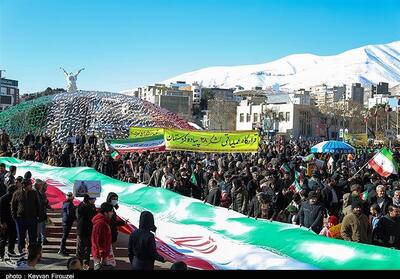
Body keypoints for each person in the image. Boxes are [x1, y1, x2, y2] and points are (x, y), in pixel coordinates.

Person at [11, 176, 40, 254]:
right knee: (21, 238)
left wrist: (38, 216)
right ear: (25, 185)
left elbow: (38, 205)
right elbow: (13, 206)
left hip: (32, 219)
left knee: (33, 238)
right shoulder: (17, 193)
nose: (31, 186)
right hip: (20, 219)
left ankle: (32, 254)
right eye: (30, 184)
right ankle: (22, 253)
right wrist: (15, 217)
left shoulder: (34, 193)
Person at [91, 202, 115, 270]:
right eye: (111, 212)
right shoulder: (102, 224)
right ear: (105, 213)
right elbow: (100, 241)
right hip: (100, 256)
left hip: (100, 254)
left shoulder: (103, 221)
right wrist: (103, 257)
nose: (112, 213)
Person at [76, 194, 96, 268]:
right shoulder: (82, 206)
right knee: (80, 249)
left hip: (90, 231)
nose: (95, 200)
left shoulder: (92, 206)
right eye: (94, 199)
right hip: (82, 232)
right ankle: (78, 264)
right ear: (89, 200)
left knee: (88, 249)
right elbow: (80, 211)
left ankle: (86, 264)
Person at [0, 185, 17, 259]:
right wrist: (2, 222)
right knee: (4, 238)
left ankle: (10, 252)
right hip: (6, 221)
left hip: (12, 221)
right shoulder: (4, 199)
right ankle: (2, 253)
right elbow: (1, 212)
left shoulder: (14, 198)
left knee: (12, 237)